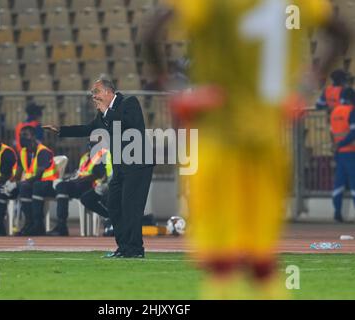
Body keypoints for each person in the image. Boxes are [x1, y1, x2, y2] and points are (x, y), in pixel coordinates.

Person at [144, 0, 349, 299]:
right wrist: (304, 88)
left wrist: (174, 87)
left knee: (220, 268)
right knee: (263, 266)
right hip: (267, 143)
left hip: (219, 140)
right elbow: (342, 32)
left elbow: (151, 31)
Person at [44, 77, 153, 258]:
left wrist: (106, 112)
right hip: (120, 166)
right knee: (113, 204)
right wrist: (61, 130)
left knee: (131, 208)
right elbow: (88, 128)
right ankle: (124, 248)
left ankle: (135, 250)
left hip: (138, 164)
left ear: (108, 92)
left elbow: (130, 125)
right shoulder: (103, 114)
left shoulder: (129, 102)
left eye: (96, 92)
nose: (93, 96)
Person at [0, 126, 59, 236]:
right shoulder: (23, 152)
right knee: (0, 190)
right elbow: (18, 174)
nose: (22, 138)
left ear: (33, 136)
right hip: (30, 184)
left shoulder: (43, 152)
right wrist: (9, 183)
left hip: (46, 184)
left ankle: (35, 224)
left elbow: (38, 175)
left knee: (26, 186)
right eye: (20, 136)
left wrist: (17, 183)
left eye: (25, 135)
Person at [47, 142, 112, 236]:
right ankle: (61, 226)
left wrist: (78, 180)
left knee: (64, 187)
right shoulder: (85, 157)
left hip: (91, 184)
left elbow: (98, 174)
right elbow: (80, 172)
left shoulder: (103, 154)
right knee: (61, 186)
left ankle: (109, 220)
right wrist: (72, 179)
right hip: (80, 184)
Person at [330, 88, 355, 222]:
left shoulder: (335, 111)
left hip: (340, 154)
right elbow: (353, 133)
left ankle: (337, 213)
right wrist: (341, 144)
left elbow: (332, 133)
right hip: (351, 152)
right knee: (354, 184)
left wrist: (336, 146)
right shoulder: (351, 111)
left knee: (338, 184)